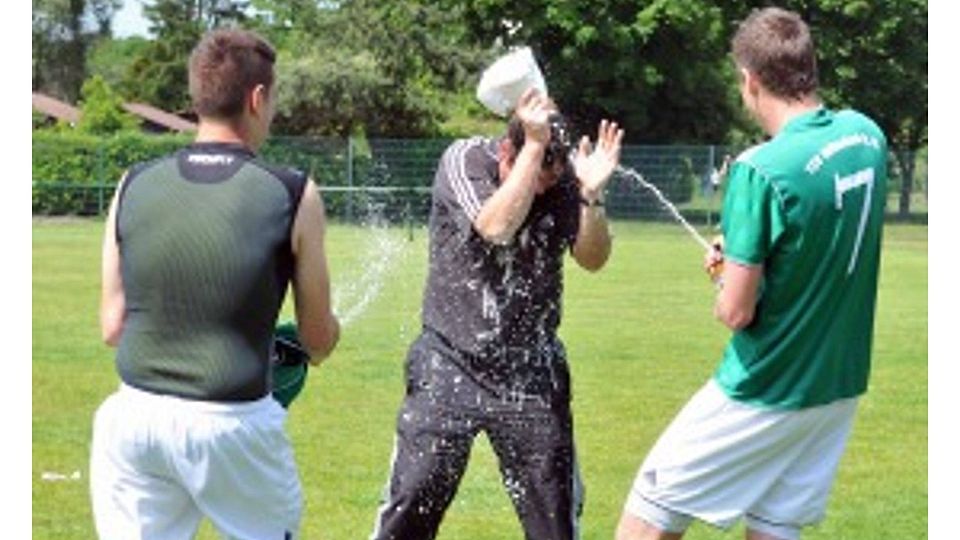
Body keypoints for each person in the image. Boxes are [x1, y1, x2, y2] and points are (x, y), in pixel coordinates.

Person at [616, 7, 888, 540]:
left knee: (652, 506)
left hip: (767, 383)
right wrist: (746, 248)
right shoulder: (867, 136)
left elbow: (736, 311)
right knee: (774, 527)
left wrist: (724, 274)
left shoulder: (760, 167)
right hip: (838, 384)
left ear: (750, 79)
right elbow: (816, 230)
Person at [91, 28, 340, 539]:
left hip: (132, 421)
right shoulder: (294, 191)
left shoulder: (132, 182)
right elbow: (317, 340)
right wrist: (303, 341)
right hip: (234, 427)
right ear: (257, 98)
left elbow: (113, 326)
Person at [369, 88, 623, 540]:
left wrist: (591, 194)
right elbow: (496, 226)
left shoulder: (564, 179)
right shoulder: (464, 159)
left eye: (551, 179)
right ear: (508, 149)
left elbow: (593, 258)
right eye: (535, 173)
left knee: (555, 523)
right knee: (410, 507)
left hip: (532, 372)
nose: (542, 189)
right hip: (449, 362)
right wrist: (535, 146)